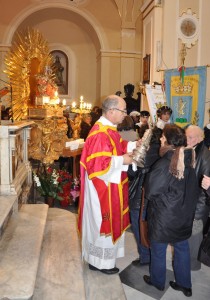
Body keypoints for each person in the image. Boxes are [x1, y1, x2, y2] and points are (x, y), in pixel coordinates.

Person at [77, 94, 139, 275]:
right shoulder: (99, 133)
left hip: (111, 185)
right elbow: (97, 166)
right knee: (101, 222)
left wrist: (133, 146)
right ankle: (99, 262)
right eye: (123, 110)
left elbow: (119, 144)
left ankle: (105, 259)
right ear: (111, 111)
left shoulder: (109, 128)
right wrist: (124, 160)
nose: (125, 114)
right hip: (101, 189)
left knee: (109, 221)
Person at [143, 124, 198, 297]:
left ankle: (157, 281)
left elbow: (151, 191)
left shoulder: (166, 162)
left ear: (168, 141)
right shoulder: (189, 158)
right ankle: (185, 285)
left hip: (164, 216)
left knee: (158, 249)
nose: (160, 138)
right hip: (183, 215)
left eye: (163, 136)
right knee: (182, 247)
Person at [129, 126, 161, 267]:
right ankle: (150, 256)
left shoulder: (146, 152)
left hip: (140, 196)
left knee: (139, 226)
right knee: (148, 227)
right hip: (153, 196)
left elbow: (132, 172)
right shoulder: (161, 151)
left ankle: (145, 257)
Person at [185, 125, 210, 270]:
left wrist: (197, 214)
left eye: (190, 137)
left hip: (197, 209)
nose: (187, 140)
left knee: (194, 239)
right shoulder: (192, 150)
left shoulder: (204, 156)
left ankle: (192, 266)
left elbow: (204, 189)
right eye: (186, 136)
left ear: (200, 138)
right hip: (189, 206)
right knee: (188, 239)